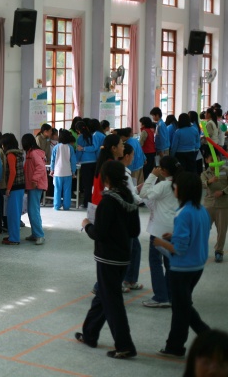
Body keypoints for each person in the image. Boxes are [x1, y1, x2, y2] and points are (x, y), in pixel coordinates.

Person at [76, 161, 139, 359]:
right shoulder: (129, 198)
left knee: (112, 302)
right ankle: (90, 334)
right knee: (103, 296)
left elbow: (99, 233)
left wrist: (87, 225)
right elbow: (135, 231)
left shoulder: (108, 202)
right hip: (123, 256)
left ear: (107, 178)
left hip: (107, 258)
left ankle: (125, 345)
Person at [153, 172, 211, 359]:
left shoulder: (183, 214)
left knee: (181, 308)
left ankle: (199, 339)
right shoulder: (201, 210)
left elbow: (179, 249)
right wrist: (174, 236)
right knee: (183, 305)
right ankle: (177, 344)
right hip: (197, 266)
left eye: (176, 186)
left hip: (182, 269)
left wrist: (161, 243)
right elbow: (195, 234)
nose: (174, 189)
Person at [139, 156, 181, 308]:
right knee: (170, 262)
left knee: (155, 262)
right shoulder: (181, 183)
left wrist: (152, 176)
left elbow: (144, 193)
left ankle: (160, 296)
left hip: (159, 230)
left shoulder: (164, 185)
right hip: (174, 228)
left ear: (163, 171)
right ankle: (170, 295)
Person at [118, 143, 144, 292]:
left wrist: (136, 189)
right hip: (126, 216)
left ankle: (129, 279)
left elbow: (129, 192)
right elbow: (131, 198)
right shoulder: (124, 174)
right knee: (128, 249)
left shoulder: (121, 172)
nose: (133, 158)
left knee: (134, 248)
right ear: (126, 156)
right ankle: (123, 280)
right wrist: (146, 197)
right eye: (133, 155)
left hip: (124, 215)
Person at [200, 146, 228, 263]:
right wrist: (209, 181)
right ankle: (201, 250)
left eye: (217, 159)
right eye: (212, 160)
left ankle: (219, 251)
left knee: (222, 230)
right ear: (206, 160)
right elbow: (201, 184)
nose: (215, 162)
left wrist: (223, 192)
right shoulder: (204, 173)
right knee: (203, 229)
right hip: (208, 205)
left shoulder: (225, 170)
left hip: (223, 205)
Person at [0, 133, 25, 245]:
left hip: (14, 188)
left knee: (13, 214)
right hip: (20, 187)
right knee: (14, 213)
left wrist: (8, 188)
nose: (2, 146)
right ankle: (12, 235)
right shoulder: (18, 153)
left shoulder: (10, 155)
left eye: (3, 144)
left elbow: (12, 172)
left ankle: (14, 239)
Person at [22, 133, 47, 245]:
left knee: (33, 211)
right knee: (32, 211)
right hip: (32, 185)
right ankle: (35, 233)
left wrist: (34, 180)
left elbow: (40, 168)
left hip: (35, 185)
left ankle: (40, 235)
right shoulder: (31, 153)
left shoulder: (33, 153)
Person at [76, 120, 103, 207]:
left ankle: (86, 202)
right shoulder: (92, 135)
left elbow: (79, 151)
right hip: (94, 161)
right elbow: (95, 148)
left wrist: (76, 161)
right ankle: (93, 200)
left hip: (85, 163)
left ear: (78, 130)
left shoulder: (80, 138)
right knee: (93, 183)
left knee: (87, 184)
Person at [92, 134, 125, 205]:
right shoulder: (111, 165)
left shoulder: (104, 162)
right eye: (122, 145)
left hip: (97, 201)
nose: (123, 148)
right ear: (114, 148)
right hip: (104, 203)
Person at [50, 129, 77, 211]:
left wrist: (52, 170)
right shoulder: (70, 148)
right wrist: (73, 172)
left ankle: (56, 206)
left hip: (58, 172)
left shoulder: (56, 147)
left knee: (57, 190)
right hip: (68, 172)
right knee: (67, 190)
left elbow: (52, 160)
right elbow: (73, 161)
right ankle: (66, 206)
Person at [189, 110, 204, 175]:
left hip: (195, 147)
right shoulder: (196, 124)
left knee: (195, 164)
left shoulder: (192, 126)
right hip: (197, 146)